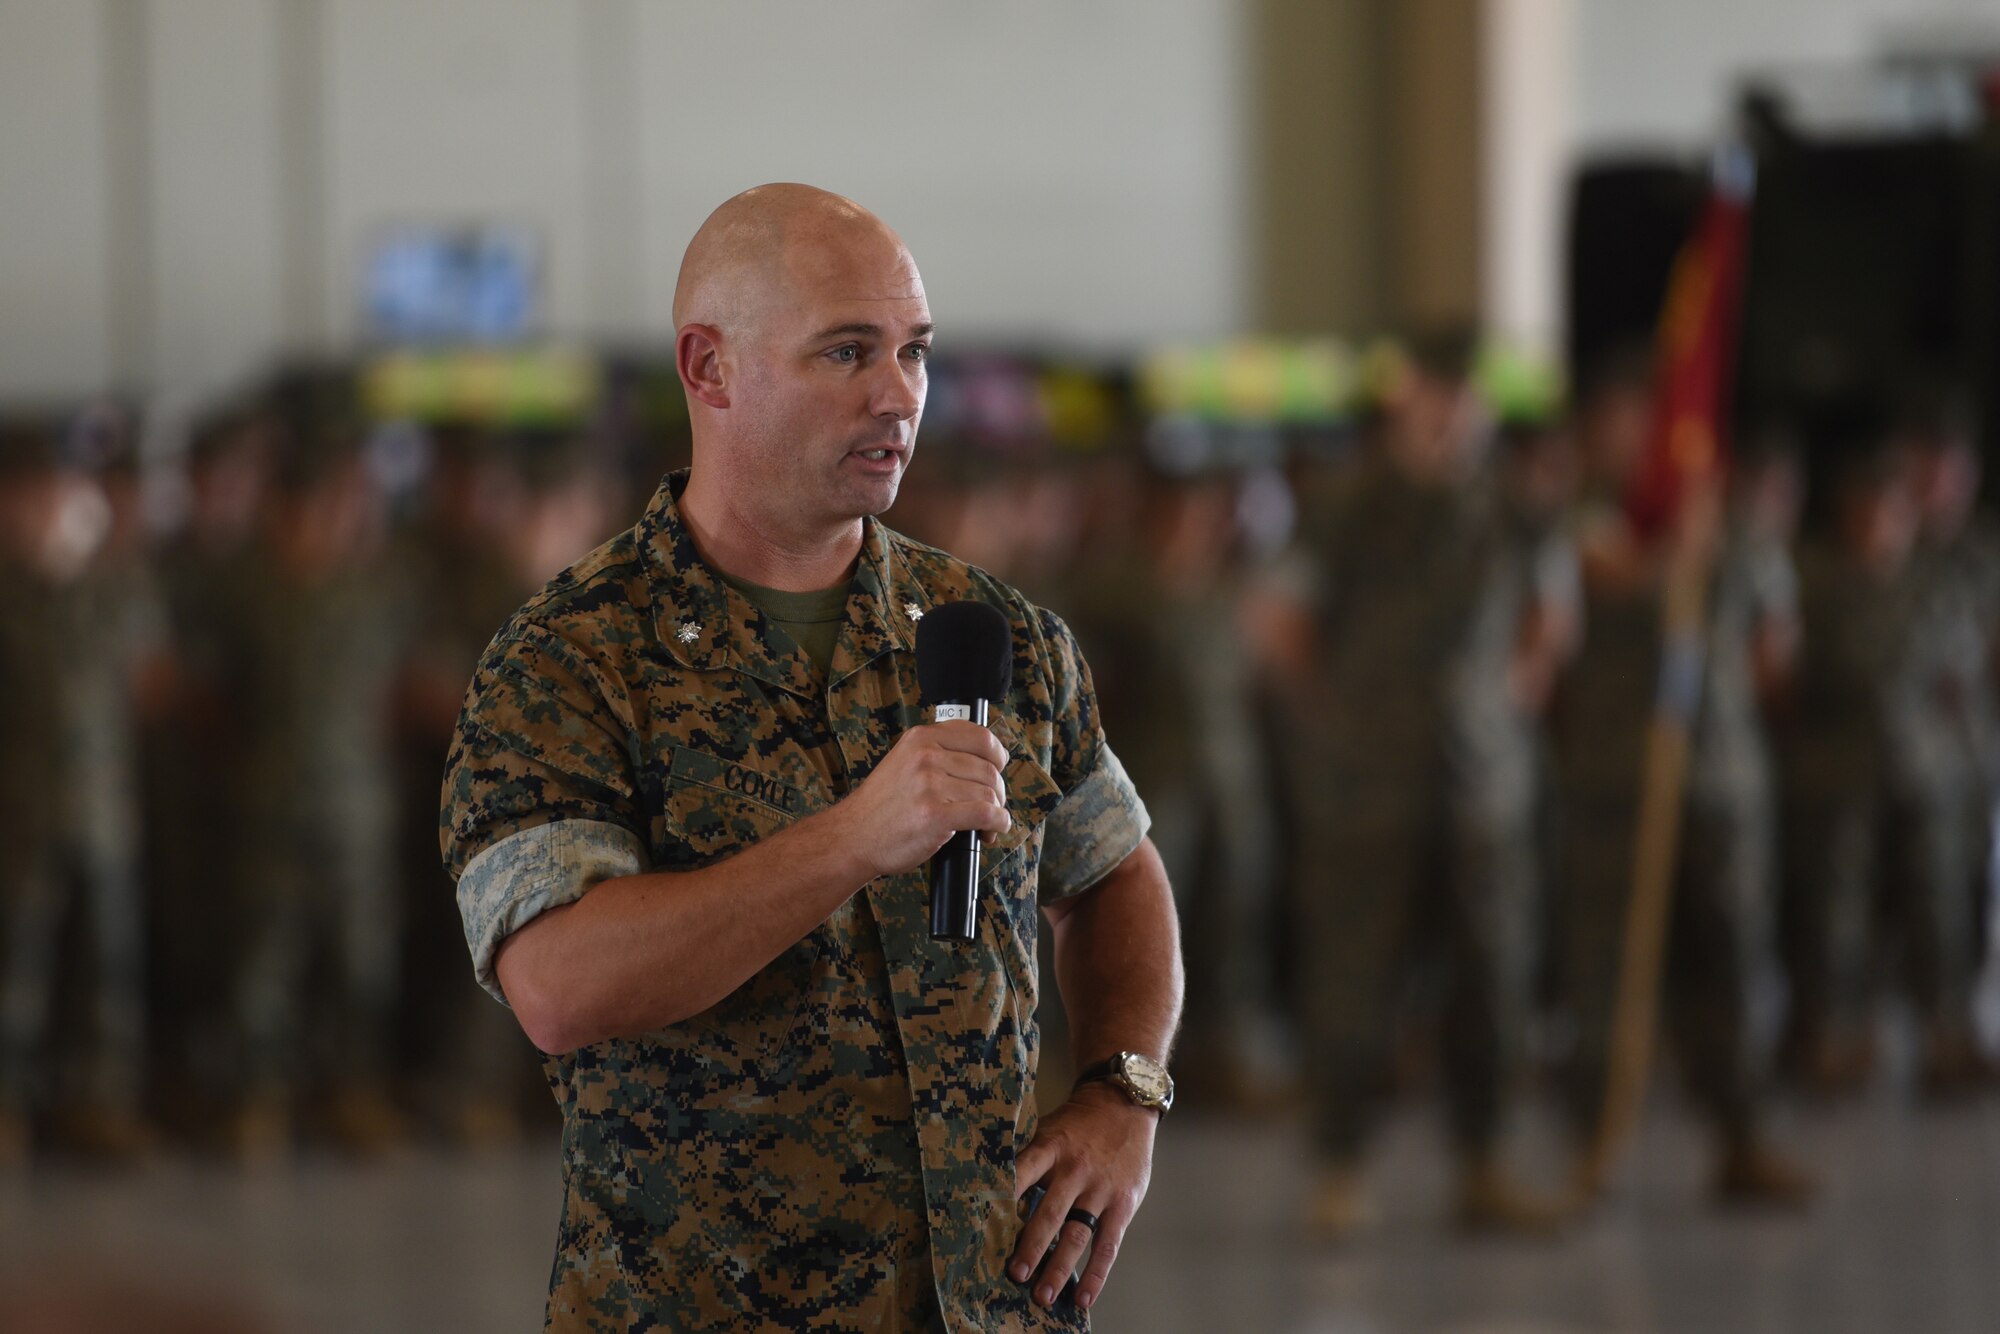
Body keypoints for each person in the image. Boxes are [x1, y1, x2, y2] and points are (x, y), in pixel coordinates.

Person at [440, 184, 1182, 1331]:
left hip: (984, 1302)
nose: (898, 396)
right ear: (709, 367)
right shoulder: (573, 658)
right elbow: (558, 982)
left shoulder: (989, 633)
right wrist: (849, 839)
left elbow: (1116, 868)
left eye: (914, 353)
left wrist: (1122, 1089)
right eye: (846, 351)